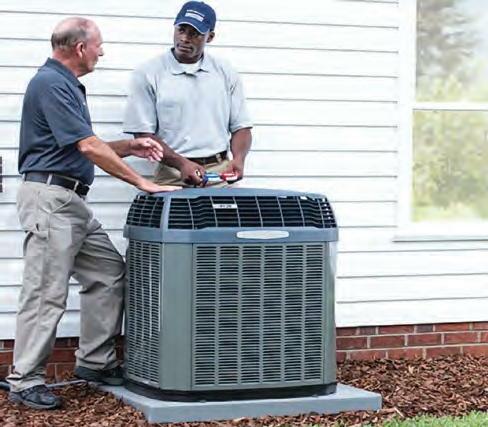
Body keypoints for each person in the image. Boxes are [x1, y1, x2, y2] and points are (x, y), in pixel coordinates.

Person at [7, 17, 179, 410]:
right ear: (81, 48)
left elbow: (81, 144)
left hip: (72, 203)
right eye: (99, 45)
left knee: (108, 272)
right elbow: (87, 147)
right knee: (45, 292)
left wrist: (130, 147)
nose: (102, 52)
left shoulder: (65, 85)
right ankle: (25, 379)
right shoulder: (50, 83)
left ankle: (94, 362)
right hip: (51, 200)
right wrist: (143, 182)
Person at [123, 1, 253, 187]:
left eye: (194, 33)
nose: (184, 38)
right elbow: (143, 135)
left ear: (210, 37)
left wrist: (239, 159)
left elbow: (241, 127)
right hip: (173, 174)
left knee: (230, 208)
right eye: (181, 30)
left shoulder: (225, 72)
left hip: (220, 174)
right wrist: (181, 163)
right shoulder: (148, 73)